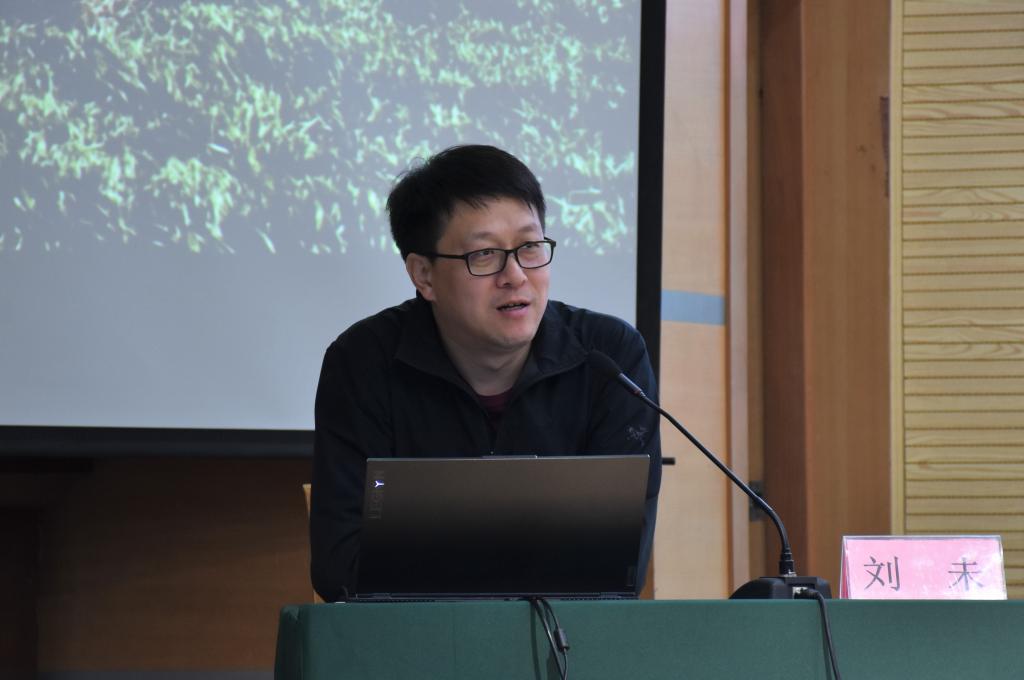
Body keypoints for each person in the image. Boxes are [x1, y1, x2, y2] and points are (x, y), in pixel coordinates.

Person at [309, 144, 661, 602]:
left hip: (567, 641)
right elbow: (341, 568)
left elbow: (617, 567)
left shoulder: (610, 358)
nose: (515, 275)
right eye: (485, 254)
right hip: (418, 640)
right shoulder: (364, 363)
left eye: (529, 247)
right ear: (424, 275)